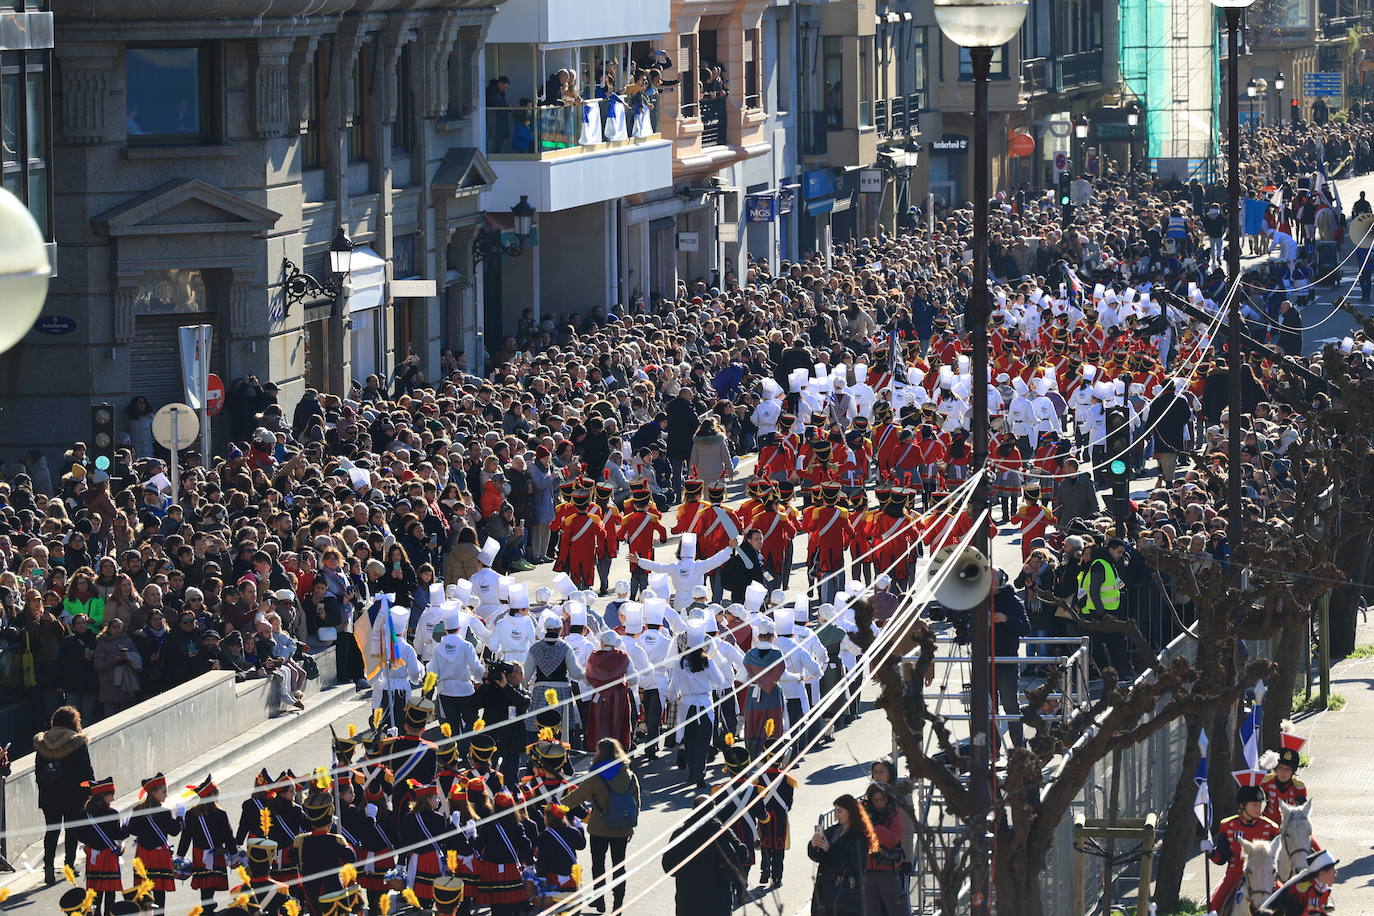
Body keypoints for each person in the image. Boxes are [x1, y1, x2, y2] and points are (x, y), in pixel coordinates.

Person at [562, 738, 640, 914]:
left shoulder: (597, 776)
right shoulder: (629, 775)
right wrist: (632, 824)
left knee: (598, 864)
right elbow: (636, 802)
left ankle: (600, 900)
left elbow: (576, 798)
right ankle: (618, 904)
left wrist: (556, 805)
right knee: (619, 866)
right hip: (622, 829)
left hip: (599, 829)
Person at [34, 705, 94, 885]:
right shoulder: (77, 742)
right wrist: (89, 791)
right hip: (73, 795)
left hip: (49, 796)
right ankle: (69, 865)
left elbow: (38, 773)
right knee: (71, 830)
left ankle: (49, 868)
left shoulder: (42, 743)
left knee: (51, 831)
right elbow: (86, 772)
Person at [661, 794, 748, 916]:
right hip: (718, 899)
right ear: (712, 810)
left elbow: (668, 866)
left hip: (688, 900)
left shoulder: (680, 833)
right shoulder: (722, 832)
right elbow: (742, 853)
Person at [126, 773, 183, 911]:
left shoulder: (137, 810)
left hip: (143, 853)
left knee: (144, 888)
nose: (166, 795)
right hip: (159, 855)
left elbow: (133, 830)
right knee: (159, 890)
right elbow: (174, 831)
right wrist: (180, 817)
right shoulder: (164, 812)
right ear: (154, 792)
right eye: (164, 791)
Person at [808, 794, 872, 916]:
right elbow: (818, 857)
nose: (836, 815)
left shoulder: (859, 836)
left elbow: (854, 865)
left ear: (851, 813)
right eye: (836, 811)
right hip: (824, 889)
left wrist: (829, 850)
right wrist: (814, 845)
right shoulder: (834, 830)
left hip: (844, 892)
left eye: (840, 811)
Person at [72, 777, 126, 916]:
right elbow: (117, 834)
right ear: (103, 795)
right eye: (111, 795)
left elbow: (78, 834)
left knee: (95, 892)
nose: (113, 798)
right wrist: (126, 827)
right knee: (110, 892)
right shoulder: (112, 813)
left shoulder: (84, 814)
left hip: (93, 857)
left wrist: (90, 845)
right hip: (109, 856)